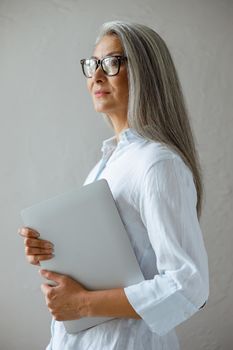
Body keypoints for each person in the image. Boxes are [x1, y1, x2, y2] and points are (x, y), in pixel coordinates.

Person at [18, 20, 209, 350]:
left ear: (146, 72)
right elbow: (109, 263)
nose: (96, 75)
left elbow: (188, 284)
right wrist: (53, 256)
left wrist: (81, 304)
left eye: (112, 62)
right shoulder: (106, 164)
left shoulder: (158, 164)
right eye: (92, 64)